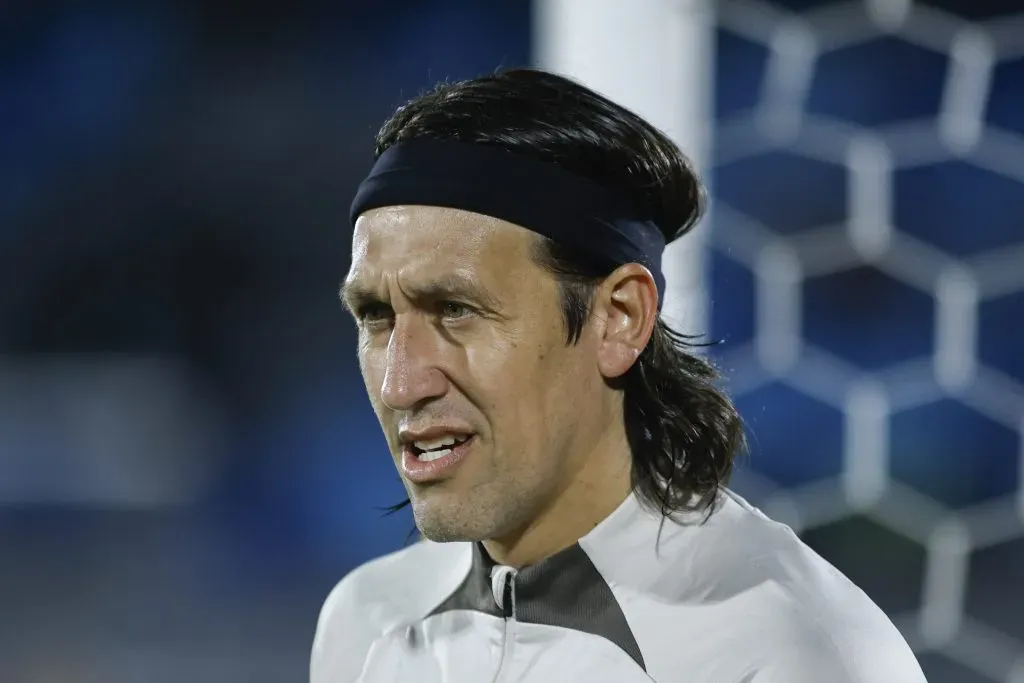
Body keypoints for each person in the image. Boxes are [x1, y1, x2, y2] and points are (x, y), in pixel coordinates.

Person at [311, 68, 927, 683]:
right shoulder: (366, 621)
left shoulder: (795, 654)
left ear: (620, 319)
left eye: (456, 310)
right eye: (376, 316)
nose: (400, 385)